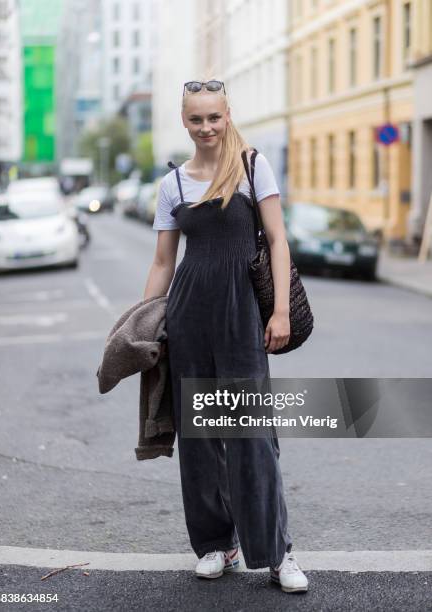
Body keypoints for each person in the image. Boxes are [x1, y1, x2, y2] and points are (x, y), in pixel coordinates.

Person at [143, 78, 308, 594]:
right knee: (199, 435)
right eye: (196, 119)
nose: (206, 127)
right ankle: (218, 544)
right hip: (190, 313)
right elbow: (163, 261)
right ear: (184, 121)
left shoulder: (254, 166)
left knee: (252, 435)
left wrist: (279, 310)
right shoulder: (173, 184)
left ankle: (277, 551)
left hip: (243, 312)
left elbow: (278, 240)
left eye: (214, 117)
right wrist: (145, 323)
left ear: (228, 114)